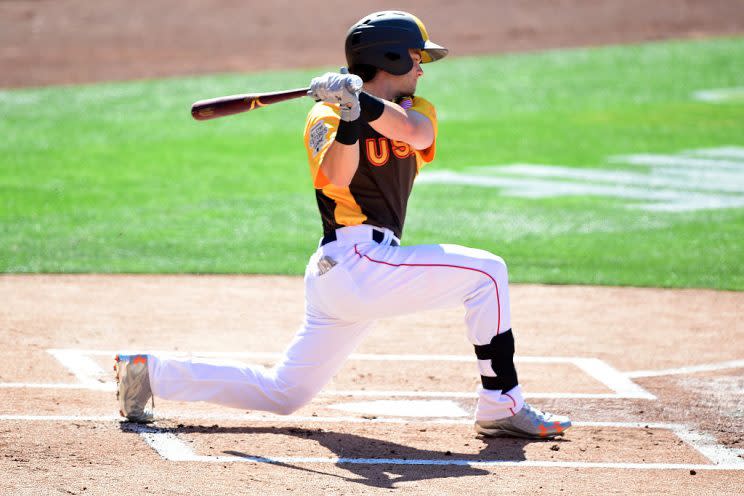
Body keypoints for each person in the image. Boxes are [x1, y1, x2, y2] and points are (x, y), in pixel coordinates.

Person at [115, 10, 572, 439]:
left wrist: (360, 102)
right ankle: (501, 404)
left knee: (285, 393)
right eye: (416, 58)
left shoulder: (418, 108)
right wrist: (349, 116)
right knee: (488, 272)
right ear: (391, 57)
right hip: (355, 262)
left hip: (357, 275)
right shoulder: (326, 114)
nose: (422, 69)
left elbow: (416, 133)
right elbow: (337, 174)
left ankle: (149, 372)